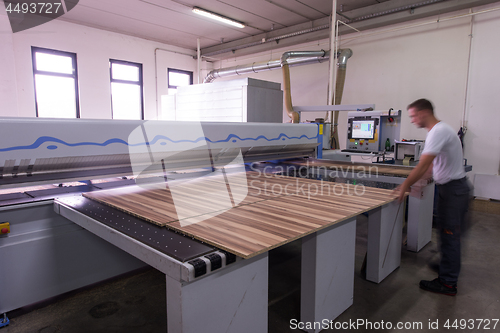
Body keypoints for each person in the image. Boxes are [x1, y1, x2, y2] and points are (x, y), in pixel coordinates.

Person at [395, 98, 470, 296]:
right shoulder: (440, 130)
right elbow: (430, 165)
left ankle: (447, 283)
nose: (412, 120)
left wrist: (405, 185)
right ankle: (447, 267)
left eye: (413, 116)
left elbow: (422, 165)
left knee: (449, 236)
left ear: (423, 112)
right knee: (447, 235)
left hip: (453, 191)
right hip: (452, 189)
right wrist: (421, 182)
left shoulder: (437, 131)